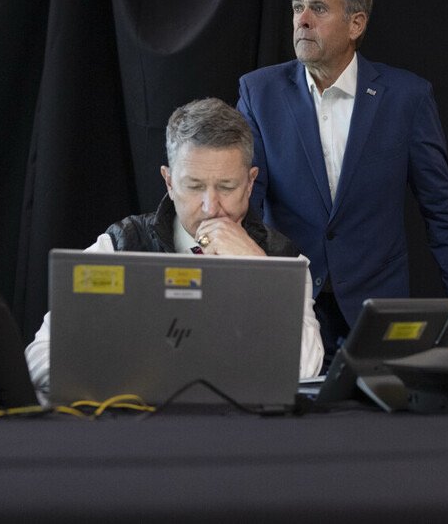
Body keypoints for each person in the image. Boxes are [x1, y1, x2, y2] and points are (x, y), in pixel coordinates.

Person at [237, 0, 448, 365]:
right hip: (291, 303)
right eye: (297, 7)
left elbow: (442, 211)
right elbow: (247, 201)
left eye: (318, 8)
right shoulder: (259, 92)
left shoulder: (406, 97)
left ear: (356, 24)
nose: (302, 20)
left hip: (375, 307)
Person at [25, 98, 324, 397]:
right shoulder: (121, 245)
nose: (211, 207)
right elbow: (40, 355)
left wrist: (260, 270)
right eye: (194, 186)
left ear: (250, 183)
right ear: (169, 182)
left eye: (227, 187)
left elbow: (306, 369)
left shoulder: (284, 260)